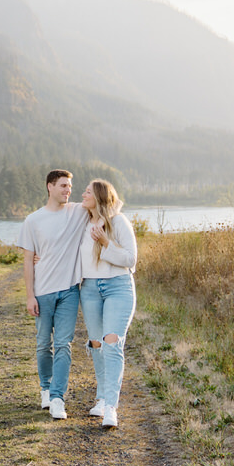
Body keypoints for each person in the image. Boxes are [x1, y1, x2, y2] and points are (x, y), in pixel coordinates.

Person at [17, 169, 86, 420]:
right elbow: (27, 261)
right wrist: (29, 295)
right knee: (43, 344)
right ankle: (45, 388)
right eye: (63, 186)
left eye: (70, 186)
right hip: (42, 292)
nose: (68, 190)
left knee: (63, 345)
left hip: (69, 291)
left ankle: (58, 398)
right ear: (50, 187)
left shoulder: (78, 212)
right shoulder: (33, 221)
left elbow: (105, 204)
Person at [78, 178, 138, 429]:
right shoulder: (81, 223)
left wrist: (105, 243)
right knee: (96, 343)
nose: (83, 194)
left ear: (100, 197)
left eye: (88, 191)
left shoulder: (119, 222)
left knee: (112, 342)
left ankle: (111, 406)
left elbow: (130, 258)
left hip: (118, 286)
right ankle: (101, 397)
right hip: (89, 288)